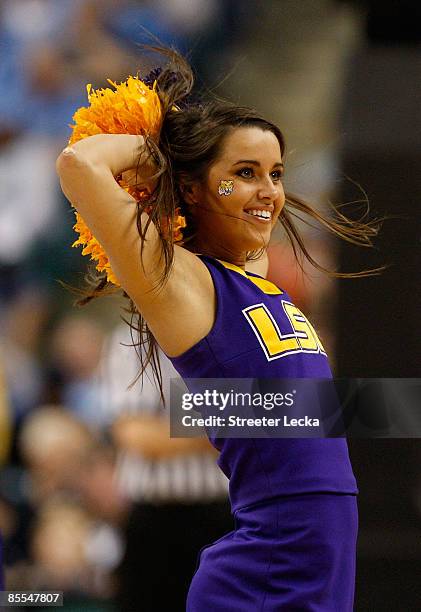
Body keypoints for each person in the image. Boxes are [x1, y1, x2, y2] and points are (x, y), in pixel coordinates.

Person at [56, 48, 381, 611]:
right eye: (244, 174)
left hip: (320, 557)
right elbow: (79, 165)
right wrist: (156, 149)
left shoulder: (261, 282)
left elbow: (304, 413)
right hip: (267, 565)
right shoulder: (180, 281)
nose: (270, 191)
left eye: (276, 173)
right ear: (191, 189)